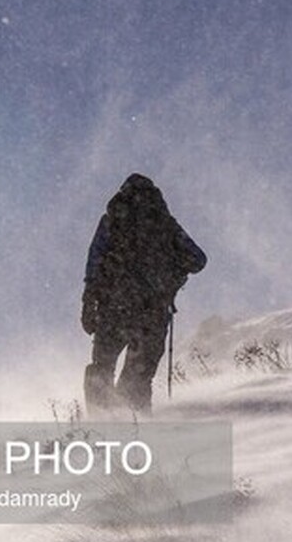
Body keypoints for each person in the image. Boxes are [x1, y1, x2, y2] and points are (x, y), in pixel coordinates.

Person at [81, 174, 207, 416]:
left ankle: (99, 425)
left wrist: (89, 301)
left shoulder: (112, 222)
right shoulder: (166, 226)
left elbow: (94, 263)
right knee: (138, 378)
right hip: (152, 314)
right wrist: (172, 270)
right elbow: (199, 260)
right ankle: (138, 430)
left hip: (113, 309)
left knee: (101, 369)